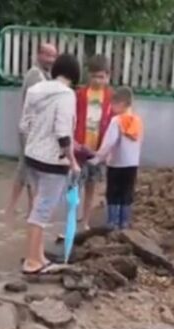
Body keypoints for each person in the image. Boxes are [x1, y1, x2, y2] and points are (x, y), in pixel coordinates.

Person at [19, 53, 81, 274]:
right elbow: (63, 132)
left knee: (36, 208)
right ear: (74, 73)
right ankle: (32, 263)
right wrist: (73, 162)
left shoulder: (36, 90)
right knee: (42, 212)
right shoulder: (66, 95)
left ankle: (37, 256)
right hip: (53, 162)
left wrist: (34, 144)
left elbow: (24, 125)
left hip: (32, 156)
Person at [4, 43, 57, 221]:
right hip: (30, 130)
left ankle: (26, 209)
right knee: (26, 168)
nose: (51, 59)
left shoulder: (45, 75)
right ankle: (12, 209)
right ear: (39, 55)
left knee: (29, 169)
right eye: (48, 55)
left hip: (34, 129)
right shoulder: (35, 75)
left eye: (53, 56)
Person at [90, 87, 143, 230]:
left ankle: (112, 222)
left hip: (116, 164)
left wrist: (97, 158)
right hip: (132, 164)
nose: (111, 107)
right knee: (127, 192)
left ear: (122, 104)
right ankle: (124, 222)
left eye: (113, 104)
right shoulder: (137, 121)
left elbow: (109, 143)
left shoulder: (116, 121)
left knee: (113, 193)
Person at [74, 54, 114, 230]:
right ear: (88, 75)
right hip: (79, 148)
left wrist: (108, 150)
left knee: (91, 186)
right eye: (94, 76)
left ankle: (86, 221)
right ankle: (71, 219)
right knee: (74, 186)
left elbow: (114, 123)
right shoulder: (80, 95)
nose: (97, 80)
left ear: (108, 76)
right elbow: (72, 118)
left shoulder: (111, 97)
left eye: (101, 77)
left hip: (97, 151)